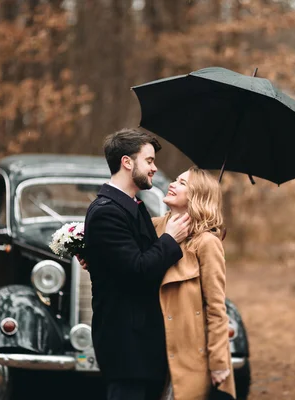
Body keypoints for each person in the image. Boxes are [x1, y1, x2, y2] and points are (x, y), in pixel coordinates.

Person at [84, 128, 191, 400]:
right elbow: (138, 269)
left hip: (143, 342)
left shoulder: (134, 207)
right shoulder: (107, 212)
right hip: (125, 344)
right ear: (127, 162)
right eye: (150, 161)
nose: (154, 168)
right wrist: (170, 239)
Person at [153, 166, 236, 400]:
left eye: (181, 183)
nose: (172, 184)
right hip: (153, 352)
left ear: (196, 196)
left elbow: (216, 307)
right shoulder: (155, 227)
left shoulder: (206, 243)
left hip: (191, 356)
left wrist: (219, 362)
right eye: (175, 179)